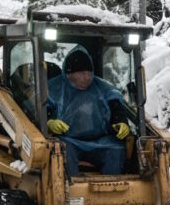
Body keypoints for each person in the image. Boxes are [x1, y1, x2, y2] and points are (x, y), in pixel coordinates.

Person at [46, 47, 131, 176]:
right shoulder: (53, 88)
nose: (87, 77)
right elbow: (40, 110)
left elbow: (116, 106)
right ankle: (69, 189)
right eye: (81, 73)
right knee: (60, 150)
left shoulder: (102, 88)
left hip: (100, 141)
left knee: (117, 149)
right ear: (69, 74)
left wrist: (121, 122)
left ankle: (112, 187)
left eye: (89, 72)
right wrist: (49, 122)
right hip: (68, 140)